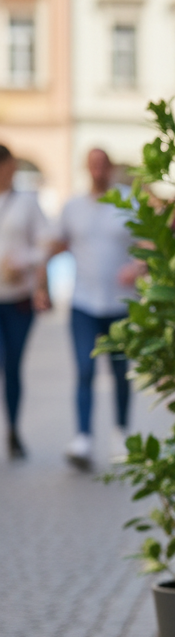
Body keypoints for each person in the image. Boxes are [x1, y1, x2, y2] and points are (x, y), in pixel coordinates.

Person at [49, 149, 142, 470]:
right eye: (93, 166)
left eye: (103, 166)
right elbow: (57, 243)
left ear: (111, 168)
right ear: (86, 169)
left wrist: (137, 267)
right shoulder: (73, 206)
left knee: (120, 372)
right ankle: (83, 438)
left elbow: (149, 244)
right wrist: (39, 278)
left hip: (120, 305)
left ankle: (121, 434)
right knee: (85, 370)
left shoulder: (129, 201)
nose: (98, 172)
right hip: (84, 303)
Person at [0, 144, 50, 459]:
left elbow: (46, 244)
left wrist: (25, 261)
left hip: (18, 298)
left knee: (12, 364)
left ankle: (13, 428)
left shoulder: (27, 202)